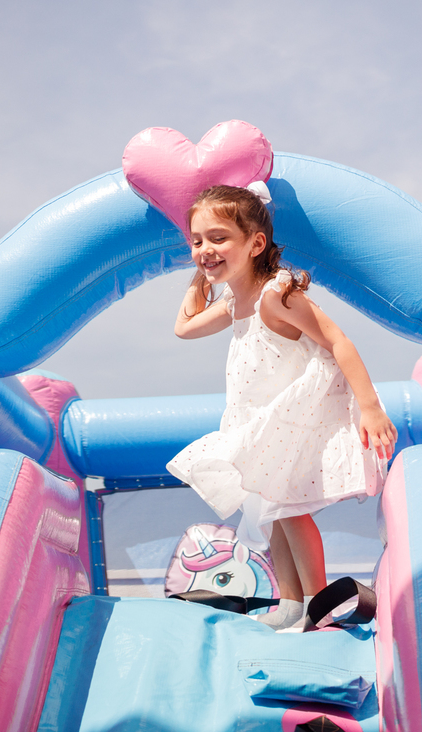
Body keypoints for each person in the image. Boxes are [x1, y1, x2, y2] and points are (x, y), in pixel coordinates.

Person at [167, 184, 396, 631]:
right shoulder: (235, 301)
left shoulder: (277, 293)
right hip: (256, 418)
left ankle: (318, 602)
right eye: (196, 241)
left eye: (218, 238)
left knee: (289, 507)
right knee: (270, 509)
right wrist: (205, 269)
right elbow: (184, 328)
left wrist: (369, 406)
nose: (204, 248)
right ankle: (290, 603)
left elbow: (337, 340)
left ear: (256, 243)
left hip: (293, 415)